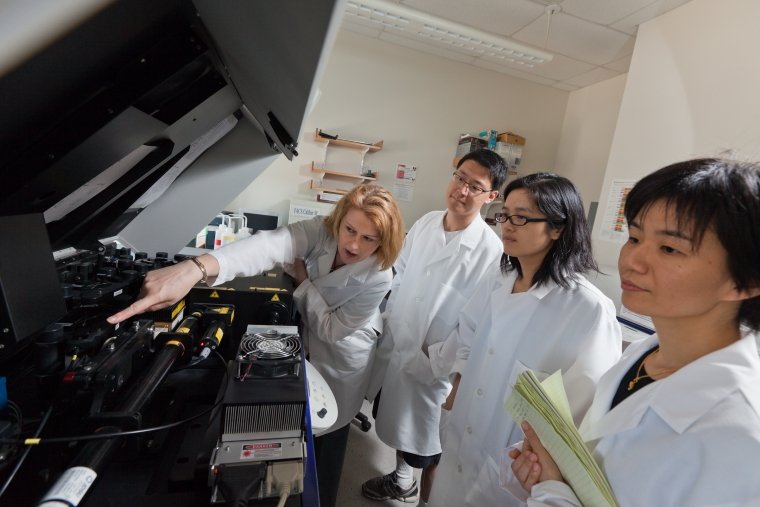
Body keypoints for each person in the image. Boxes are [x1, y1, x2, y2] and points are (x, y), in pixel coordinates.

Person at [107, 183, 405, 507]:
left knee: (329, 435)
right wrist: (196, 268)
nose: (352, 243)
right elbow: (271, 245)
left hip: (344, 354)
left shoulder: (379, 277)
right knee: (298, 425)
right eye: (350, 229)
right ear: (340, 219)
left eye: (368, 238)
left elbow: (332, 330)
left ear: (383, 241)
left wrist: (302, 281)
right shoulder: (322, 230)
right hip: (309, 337)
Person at [508, 158, 760, 506]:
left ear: (745, 281)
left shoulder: (741, 436)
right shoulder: (641, 356)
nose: (632, 261)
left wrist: (553, 493)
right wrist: (552, 482)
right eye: (635, 237)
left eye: (669, 248)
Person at [426, 172, 622, 507]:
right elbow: (469, 331)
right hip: (461, 438)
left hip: (513, 471)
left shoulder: (588, 310)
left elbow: (583, 415)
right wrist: (454, 392)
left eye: (521, 217)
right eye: (505, 214)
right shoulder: (500, 276)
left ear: (558, 228)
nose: (507, 225)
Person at [362, 149, 507, 505]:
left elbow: (477, 324)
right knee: (394, 420)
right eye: (459, 177)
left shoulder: (491, 251)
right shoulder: (426, 223)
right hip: (399, 345)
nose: (461, 190)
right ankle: (400, 481)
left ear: (491, 197)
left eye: (475, 186)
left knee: (430, 445)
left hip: (436, 364)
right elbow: (399, 276)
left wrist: (440, 363)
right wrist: (389, 318)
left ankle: (428, 500)